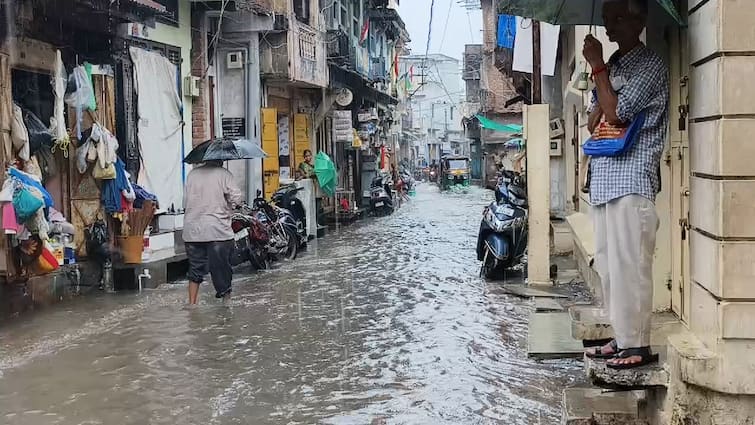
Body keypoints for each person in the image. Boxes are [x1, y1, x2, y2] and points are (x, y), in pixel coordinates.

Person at [582, 0, 669, 369]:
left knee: (631, 265)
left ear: (640, 20)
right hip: (603, 181)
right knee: (608, 265)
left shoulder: (651, 65)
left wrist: (599, 68)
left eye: (618, 18)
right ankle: (621, 338)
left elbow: (618, 112)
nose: (610, 26)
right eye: (606, 19)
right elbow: (592, 121)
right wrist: (603, 75)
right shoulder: (614, 66)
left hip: (632, 180)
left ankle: (637, 345)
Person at [183, 160, 243, 304]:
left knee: (195, 269)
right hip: (218, 230)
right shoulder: (224, 174)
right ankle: (226, 304)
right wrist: (234, 205)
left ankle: (192, 305)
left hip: (193, 231)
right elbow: (237, 198)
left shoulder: (192, 174)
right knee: (222, 268)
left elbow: (185, 201)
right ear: (220, 160)